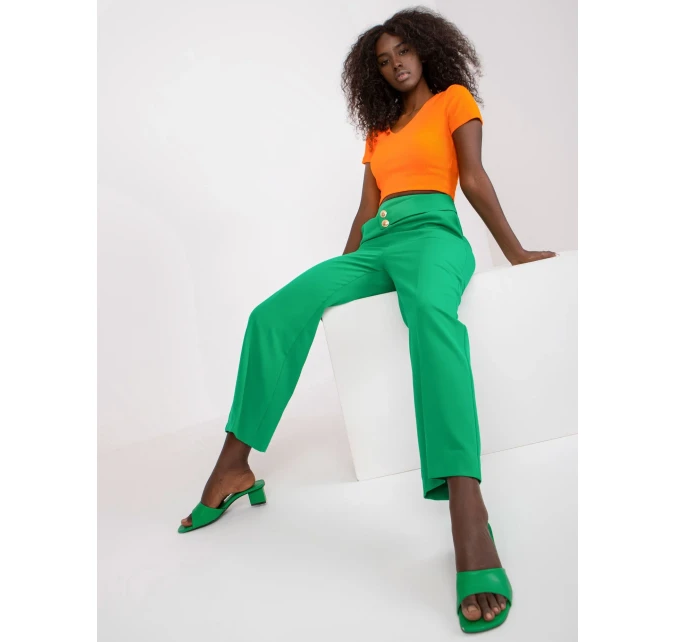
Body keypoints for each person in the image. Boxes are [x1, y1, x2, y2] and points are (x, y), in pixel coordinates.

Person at [178, 6, 557, 634]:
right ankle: (233, 466)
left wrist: (513, 251)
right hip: (378, 244)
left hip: (435, 236)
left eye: (403, 51)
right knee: (273, 313)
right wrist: (340, 274)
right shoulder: (380, 131)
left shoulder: (454, 101)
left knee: (430, 316)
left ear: (426, 51)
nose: (396, 64)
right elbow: (364, 210)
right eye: (383, 60)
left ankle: (468, 511)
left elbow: (472, 178)